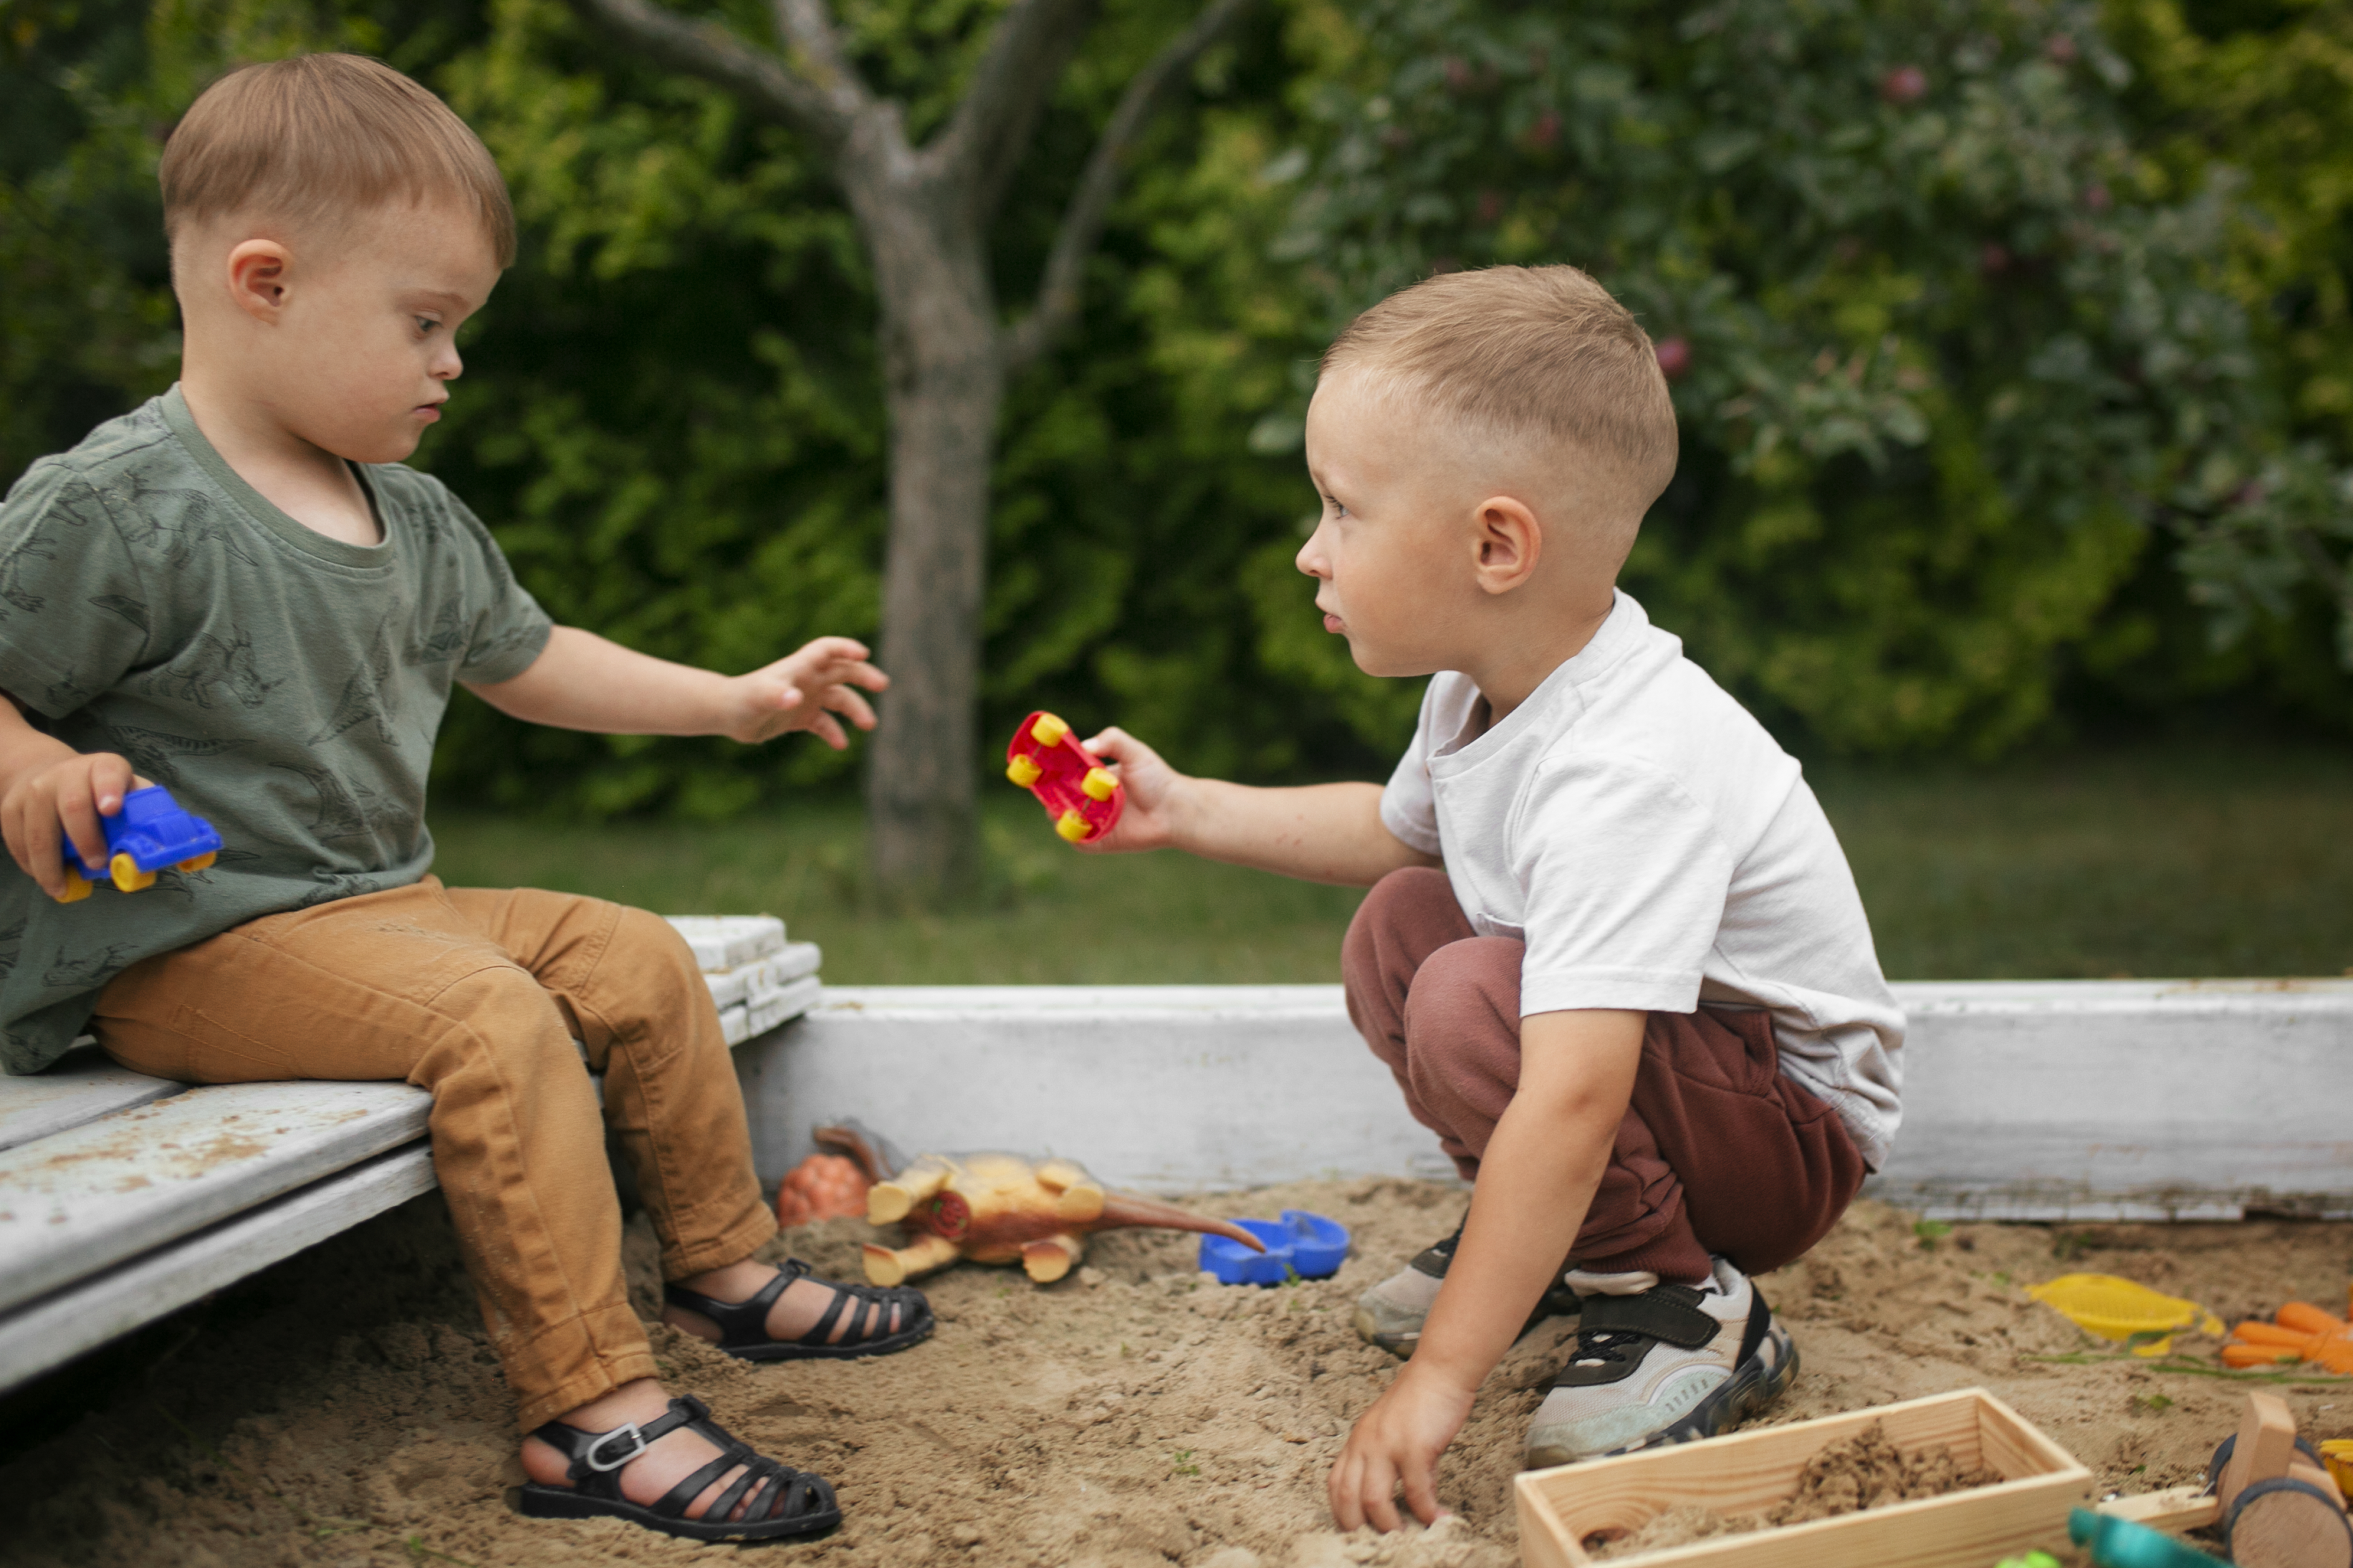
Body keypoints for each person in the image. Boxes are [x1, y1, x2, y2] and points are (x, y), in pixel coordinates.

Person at [0, 54, 926, 1545]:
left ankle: (725, 1268)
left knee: (633, 954)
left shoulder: (410, 511)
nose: (451, 364)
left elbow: (533, 659)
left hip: (379, 910)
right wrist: (36, 766)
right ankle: (593, 1419)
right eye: (425, 323)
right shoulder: (115, 509)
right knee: (489, 1023)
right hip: (177, 946)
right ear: (265, 282)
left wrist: (735, 699)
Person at [1078, 264, 1903, 1530]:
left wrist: (1438, 1381)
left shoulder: (1627, 762)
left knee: (1470, 992)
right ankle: (1584, 1247)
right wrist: (1185, 809)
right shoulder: (1480, 692)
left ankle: (1680, 1299)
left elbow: (1574, 1095)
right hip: (1690, 1083)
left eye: (1343, 510)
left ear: (1497, 546)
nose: (1312, 549)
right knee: (1402, 931)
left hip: (1788, 1139)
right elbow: (1394, 832)